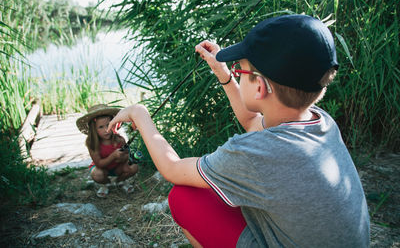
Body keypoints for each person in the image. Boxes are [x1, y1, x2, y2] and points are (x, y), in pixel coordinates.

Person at [107, 15, 370, 247]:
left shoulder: (256, 154)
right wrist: (223, 73)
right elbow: (253, 123)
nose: (236, 73)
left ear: (260, 87)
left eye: (239, 69)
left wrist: (140, 114)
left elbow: (172, 168)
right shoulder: (320, 122)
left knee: (184, 197)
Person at [76, 104, 138, 198]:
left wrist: (123, 158)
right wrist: (113, 156)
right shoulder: (92, 143)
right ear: (94, 129)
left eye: (108, 125)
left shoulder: (120, 140)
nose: (106, 130)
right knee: (97, 174)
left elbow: (126, 156)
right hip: (102, 169)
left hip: (117, 168)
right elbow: (99, 164)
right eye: (101, 127)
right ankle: (106, 184)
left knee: (134, 167)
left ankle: (120, 181)